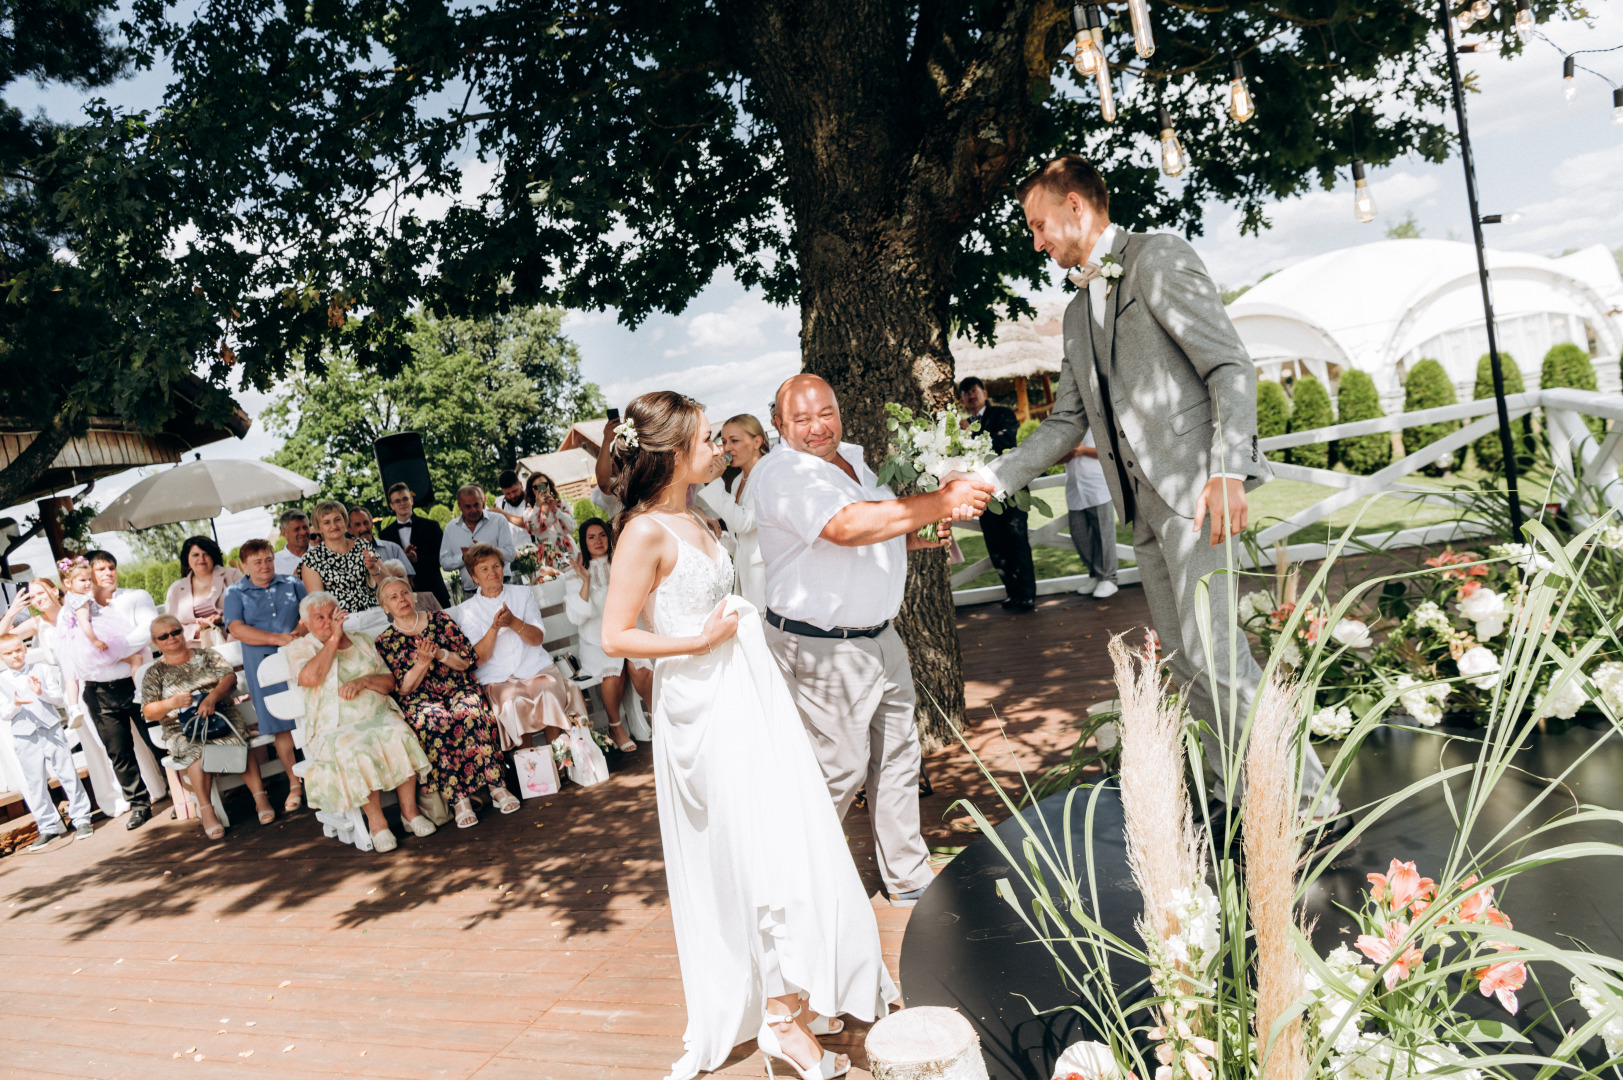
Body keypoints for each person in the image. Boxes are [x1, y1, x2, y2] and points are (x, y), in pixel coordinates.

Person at [953, 154, 1325, 815]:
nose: (1035, 241)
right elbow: (1067, 420)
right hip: (1141, 511)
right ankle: (1234, 792)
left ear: (1076, 207)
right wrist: (991, 475)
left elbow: (1229, 367)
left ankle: (1307, 806)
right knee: (1185, 661)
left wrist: (1223, 471)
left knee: (1216, 656)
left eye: (1039, 225)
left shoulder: (1156, 257)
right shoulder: (1072, 315)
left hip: (1194, 495)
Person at [599, 390, 903, 1080]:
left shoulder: (697, 513)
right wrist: (695, 640)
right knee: (754, 856)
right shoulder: (644, 531)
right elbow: (616, 634)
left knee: (782, 840)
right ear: (675, 452)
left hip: (742, 695)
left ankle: (794, 991)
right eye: (707, 439)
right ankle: (780, 1022)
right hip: (702, 710)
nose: (718, 449)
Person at [753, 374, 986, 911]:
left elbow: (875, 532)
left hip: (882, 635)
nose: (818, 427)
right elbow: (847, 528)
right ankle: (793, 885)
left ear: (839, 410)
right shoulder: (782, 473)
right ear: (779, 424)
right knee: (839, 770)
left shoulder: (856, 459)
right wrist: (939, 500)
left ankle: (907, 875)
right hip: (822, 648)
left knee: (900, 758)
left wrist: (918, 531)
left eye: (826, 413)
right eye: (802, 419)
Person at [287, 592, 436, 852]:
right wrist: (333, 639)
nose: (326, 622)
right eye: (318, 618)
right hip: (334, 728)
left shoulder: (362, 641)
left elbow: (389, 683)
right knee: (355, 748)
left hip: (377, 715)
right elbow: (311, 677)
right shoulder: (300, 648)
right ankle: (378, 824)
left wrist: (364, 681)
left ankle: (410, 813)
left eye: (330, 615)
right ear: (307, 625)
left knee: (399, 732)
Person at [373, 576, 517, 828]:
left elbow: (465, 663)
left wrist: (439, 653)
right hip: (420, 698)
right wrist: (421, 663)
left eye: (404, 593)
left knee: (469, 710)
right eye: (393, 597)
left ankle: (497, 786)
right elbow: (403, 689)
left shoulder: (440, 621)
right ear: (385, 607)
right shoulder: (385, 641)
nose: (401, 600)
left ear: (413, 595)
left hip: (457, 687)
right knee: (433, 721)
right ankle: (460, 800)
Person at [141, 614, 274, 838]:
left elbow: (229, 679)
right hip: (182, 728)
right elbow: (148, 711)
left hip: (220, 716)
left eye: (175, 632)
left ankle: (260, 798)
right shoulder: (155, 672)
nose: (171, 638)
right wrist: (171, 703)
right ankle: (207, 810)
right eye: (164, 636)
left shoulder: (206, 655)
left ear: (182, 633)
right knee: (196, 751)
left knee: (234, 741)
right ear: (156, 642)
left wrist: (211, 698)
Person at [450, 542, 588, 750]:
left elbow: (536, 638)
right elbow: (478, 658)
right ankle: (533, 766)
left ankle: (558, 756)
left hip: (535, 668)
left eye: (496, 566)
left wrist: (513, 622)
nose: (492, 573)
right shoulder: (468, 610)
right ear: (474, 577)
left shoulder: (522, 594)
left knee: (548, 693)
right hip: (499, 678)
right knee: (513, 703)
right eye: (484, 569)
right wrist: (495, 627)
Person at [78, 550, 166, 829]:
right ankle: (139, 804)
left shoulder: (135, 597)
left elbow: (148, 629)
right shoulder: (79, 610)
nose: (108, 573)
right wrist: (117, 653)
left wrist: (108, 652)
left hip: (139, 680)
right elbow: (79, 649)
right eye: (101, 569)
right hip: (100, 690)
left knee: (159, 738)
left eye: (112, 567)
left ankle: (183, 790)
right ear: (89, 575)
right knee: (119, 752)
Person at [224, 538, 308, 812]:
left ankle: (323, 773)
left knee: (309, 713)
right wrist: (277, 638)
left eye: (269, 559)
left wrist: (296, 634)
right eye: (257, 562)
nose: (265, 566)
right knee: (280, 724)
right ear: (244, 566)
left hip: (299, 655)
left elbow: (310, 612)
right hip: (262, 665)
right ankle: (295, 783)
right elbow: (236, 628)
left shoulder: (291, 583)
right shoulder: (236, 593)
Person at [0, 632, 94, 850]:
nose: (14, 656)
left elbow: (59, 698)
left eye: (17, 650)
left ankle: (81, 818)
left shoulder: (40, 669)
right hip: (24, 736)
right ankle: (48, 827)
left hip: (51, 729)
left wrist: (40, 692)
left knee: (68, 774)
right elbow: (4, 713)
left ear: (25, 650)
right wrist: (15, 704)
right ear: (2, 657)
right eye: (8, 653)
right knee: (35, 783)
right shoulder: (2, 681)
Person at [562, 518, 649, 751]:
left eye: (602, 535)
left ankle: (658, 716)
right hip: (595, 642)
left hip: (628, 633)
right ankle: (616, 727)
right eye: (591, 537)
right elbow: (578, 617)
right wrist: (586, 581)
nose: (598, 541)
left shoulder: (621, 563)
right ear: (584, 542)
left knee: (639, 668)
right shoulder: (574, 575)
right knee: (613, 671)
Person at [957, 376, 1037, 613]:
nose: (970, 395)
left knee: (1017, 543)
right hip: (982, 495)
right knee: (996, 547)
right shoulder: (960, 425)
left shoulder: (1002, 414)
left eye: (974, 390)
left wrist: (971, 432)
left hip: (1010, 490)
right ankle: (1012, 594)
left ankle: (1027, 597)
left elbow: (1003, 442)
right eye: (965, 393)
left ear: (984, 392)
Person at [696, 413, 769, 609]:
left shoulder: (767, 474)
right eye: (725, 441)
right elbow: (740, 538)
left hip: (765, 581)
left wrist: (713, 483)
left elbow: (744, 523)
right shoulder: (737, 481)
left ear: (757, 442)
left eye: (734, 441)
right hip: (746, 578)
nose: (727, 448)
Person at [299, 499, 384, 621]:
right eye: (327, 522)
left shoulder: (363, 545)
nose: (334, 526)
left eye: (337, 519)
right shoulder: (311, 559)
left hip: (375, 615)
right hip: (343, 623)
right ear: (318, 528)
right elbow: (320, 604)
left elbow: (388, 583)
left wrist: (373, 568)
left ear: (345, 521)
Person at [1062, 431, 1119, 599]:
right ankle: (1096, 575)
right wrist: (1068, 453)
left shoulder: (1096, 422)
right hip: (1074, 488)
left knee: (1104, 535)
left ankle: (1109, 579)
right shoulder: (1068, 426)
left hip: (1097, 485)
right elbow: (1057, 458)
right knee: (1079, 535)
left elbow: (1112, 451)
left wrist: (1084, 450)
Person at [378, 483, 450, 609]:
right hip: (402, 597)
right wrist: (402, 559)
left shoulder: (431, 526)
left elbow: (442, 559)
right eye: (397, 501)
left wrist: (418, 559)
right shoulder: (385, 534)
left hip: (434, 590)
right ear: (391, 506)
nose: (402, 503)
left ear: (411, 500)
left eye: (405, 499)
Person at [165, 535, 245, 645]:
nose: (201, 559)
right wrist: (197, 629)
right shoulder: (176, 589)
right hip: (196, 648)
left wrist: (221, 619)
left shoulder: (232, 575)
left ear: (213, 556)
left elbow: (249, 607)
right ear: (187, 559)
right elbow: (170, 627)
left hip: (234, 642)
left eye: (206, 554)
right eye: (195, 555)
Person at [439, 484, 516, 593]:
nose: (474, 510)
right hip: (471, 592)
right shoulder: (451, 528)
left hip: (502, 587)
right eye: (468, 507)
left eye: (476, 504)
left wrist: (487, 551)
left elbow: (510, 554)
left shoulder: (498, 521)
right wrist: (463, 558)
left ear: (483, 501)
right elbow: (444, 563)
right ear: (459, 506)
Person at [520, 472, 578, 575]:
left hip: (568, 553)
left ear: (549, 486)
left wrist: (555, 509)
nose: (542, 489)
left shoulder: (562, 505)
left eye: (544, 484)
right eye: (537, 487)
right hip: (547, 558)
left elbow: (572, 527)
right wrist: (538, 506)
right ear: (532, 490)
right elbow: (533, 530)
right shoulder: (529, 512)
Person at [349, 508, 410, 582]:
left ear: (372, 524)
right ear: (349, 530)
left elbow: (409, 581)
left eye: (366, 523)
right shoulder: (347, 556)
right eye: (357, 525)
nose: (364, 528)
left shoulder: (393, 548)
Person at [274, 509, 312, 578]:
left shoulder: (322, 554)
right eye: (297, 529)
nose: (303, 532)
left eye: (305, 527)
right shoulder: (274, 562)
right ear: (284, 533)